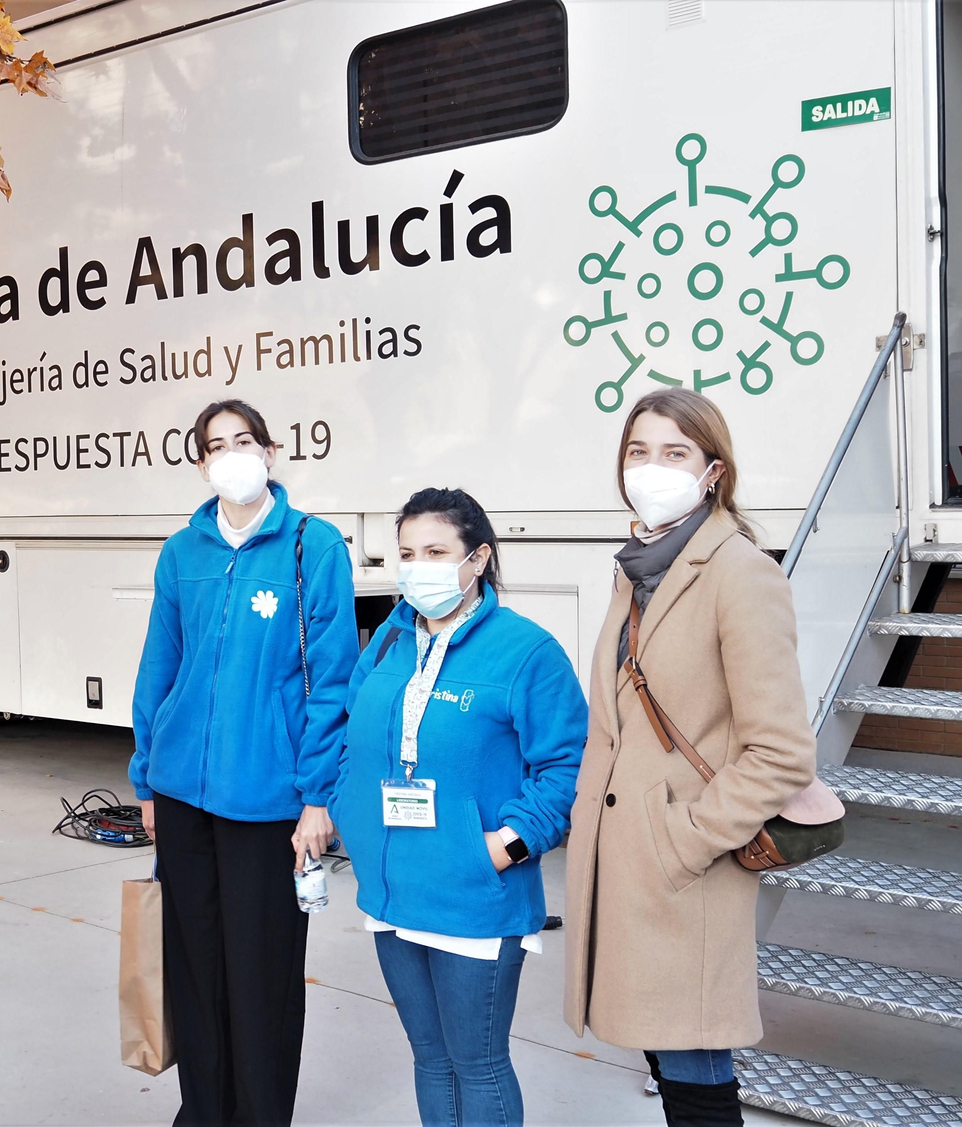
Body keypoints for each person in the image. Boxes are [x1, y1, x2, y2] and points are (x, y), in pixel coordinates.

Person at [561, 387, 818, 1127]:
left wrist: (685, 841)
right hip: (627, 860)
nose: (652, 467)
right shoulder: (638, 567)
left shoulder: (739, 572)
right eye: (638, 451)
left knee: (695, 1067)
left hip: (684, 868)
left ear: (713, 472)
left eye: (674, 453)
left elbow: (781, 751)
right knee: (664, 1057)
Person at [130, 399, 358, 1127]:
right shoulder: (182, 552)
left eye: (244, 440)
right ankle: (203, 1113)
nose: (232, 455)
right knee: (194, 970)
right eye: (217, 445)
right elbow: (159, 667)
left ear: (270, 451)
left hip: (268, 803)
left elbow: (333, 682)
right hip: (182, 797)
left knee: (262, 978)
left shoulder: (313, 547)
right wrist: (146, 777)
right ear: (202, 464)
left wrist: (318, 796)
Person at [332, 488, 585, 1127]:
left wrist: (503, 846)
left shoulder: (526, 651)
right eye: (407, 553)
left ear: (478, 559)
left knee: (478, 1064)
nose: (418, 567)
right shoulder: (387, 645)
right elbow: (350, 739)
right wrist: (350, 817)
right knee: (430, 1059)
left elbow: (567, 766)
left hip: (475, 897)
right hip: (392, 892)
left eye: (436, 552)